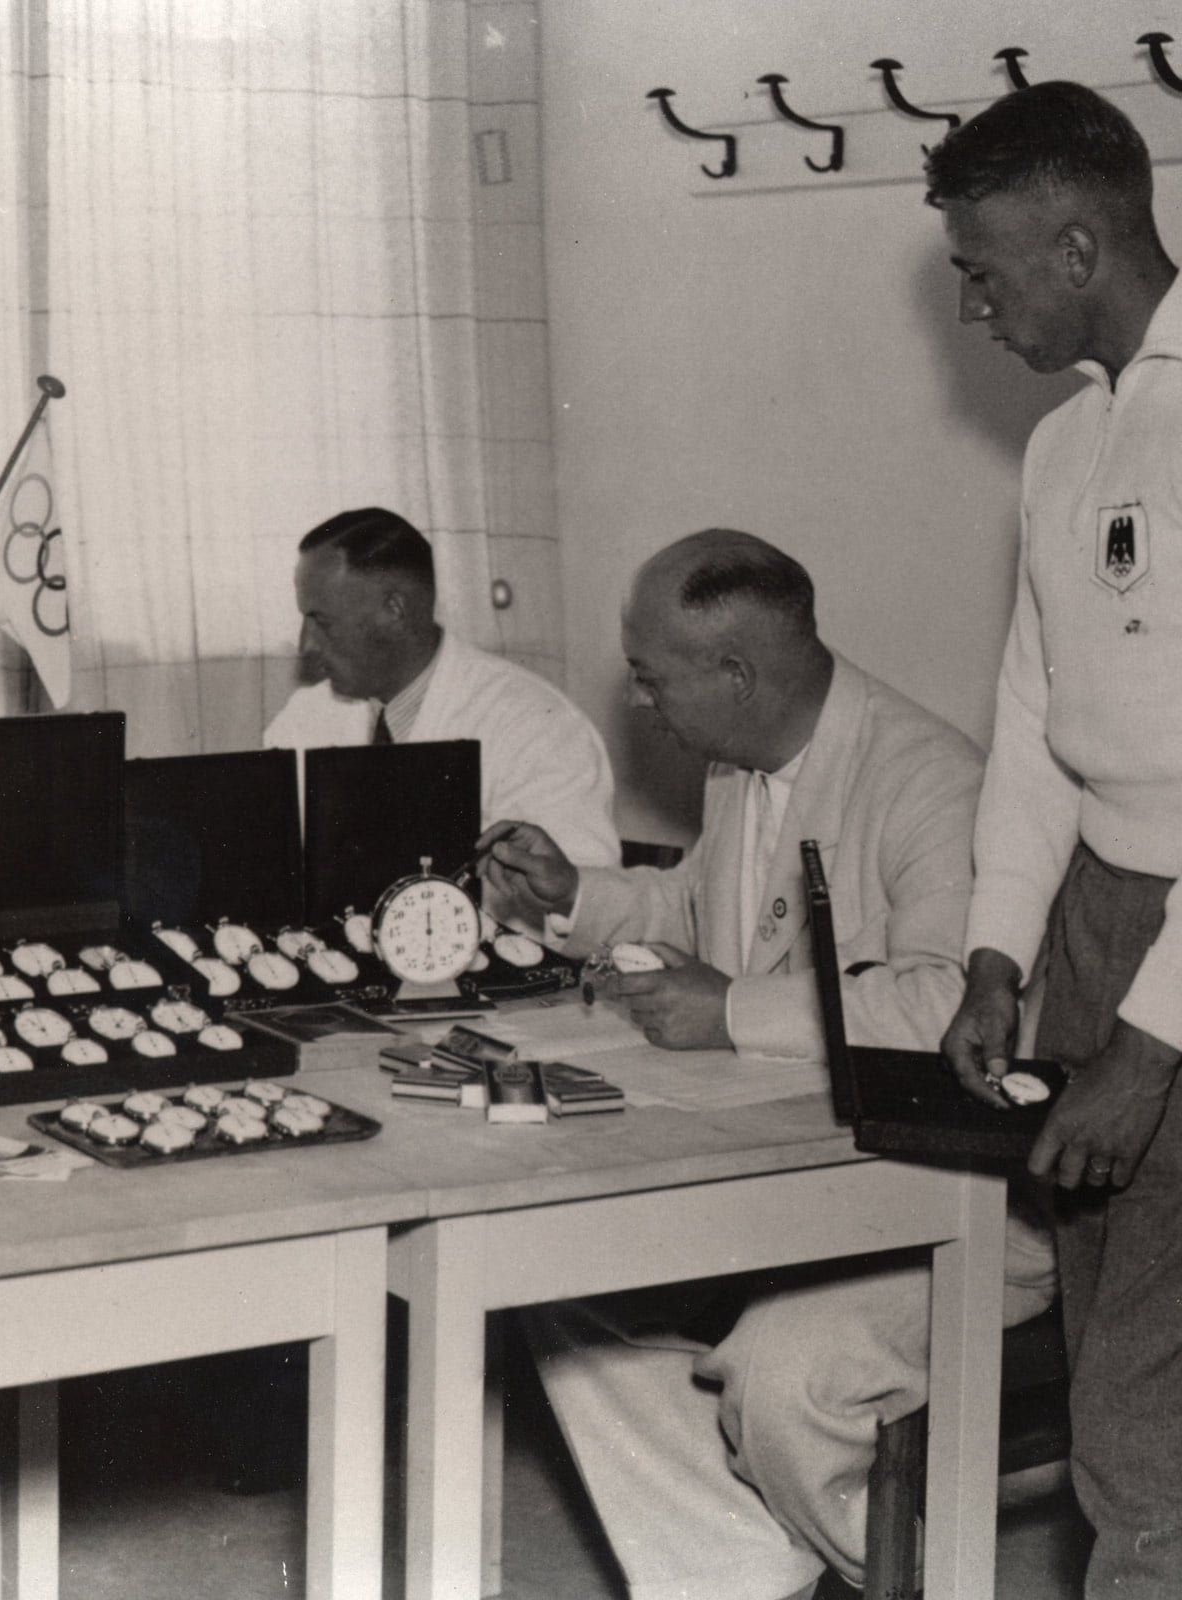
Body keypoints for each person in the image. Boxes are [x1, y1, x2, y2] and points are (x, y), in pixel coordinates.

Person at [480, 529, 1056, 1600]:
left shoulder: (931, 780)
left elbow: (948, 1002)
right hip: (793, 1180)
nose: (644, 704)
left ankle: (900, 1577)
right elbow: (693, 909)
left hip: (957, 1202)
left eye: (653, 679)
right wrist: (574, 896)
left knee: (785, 1371)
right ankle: (740, 1567)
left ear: (736, 676)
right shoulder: (739, 768)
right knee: (553, 1284)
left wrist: (732, 1009)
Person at [930, 82, 1182, 1600]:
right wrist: (996, 952)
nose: (973, 306)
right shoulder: (1065, 445)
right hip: (1100, 916)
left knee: (1141, 1410)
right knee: (1122, 1382)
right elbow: (1036, 724)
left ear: (1079, 244)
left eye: (983, 268)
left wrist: (1152, 1047)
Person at [264, 507, 621, 913]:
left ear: (394, 610)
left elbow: (579, 908)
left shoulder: (541, 726)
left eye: (321, 621)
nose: (305, 646)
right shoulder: (302, 718)